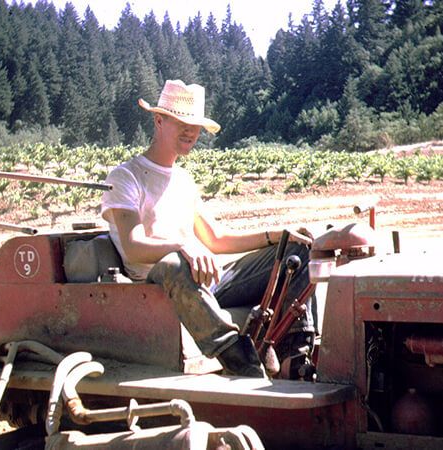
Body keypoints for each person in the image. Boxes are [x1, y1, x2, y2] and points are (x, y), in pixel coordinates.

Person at [101, 80, 316, 378]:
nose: (191, 131)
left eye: (196, 125)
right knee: (175, 262)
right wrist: (183, 245)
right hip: (156, 289)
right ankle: (241, 361)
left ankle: (297, 359)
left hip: (203, 284)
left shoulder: (183, 180)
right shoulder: (126, 177)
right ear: (159, 121)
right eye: (182, 122)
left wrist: (277, 236)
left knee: (297, 251)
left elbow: (216, 239)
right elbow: (134, 246)